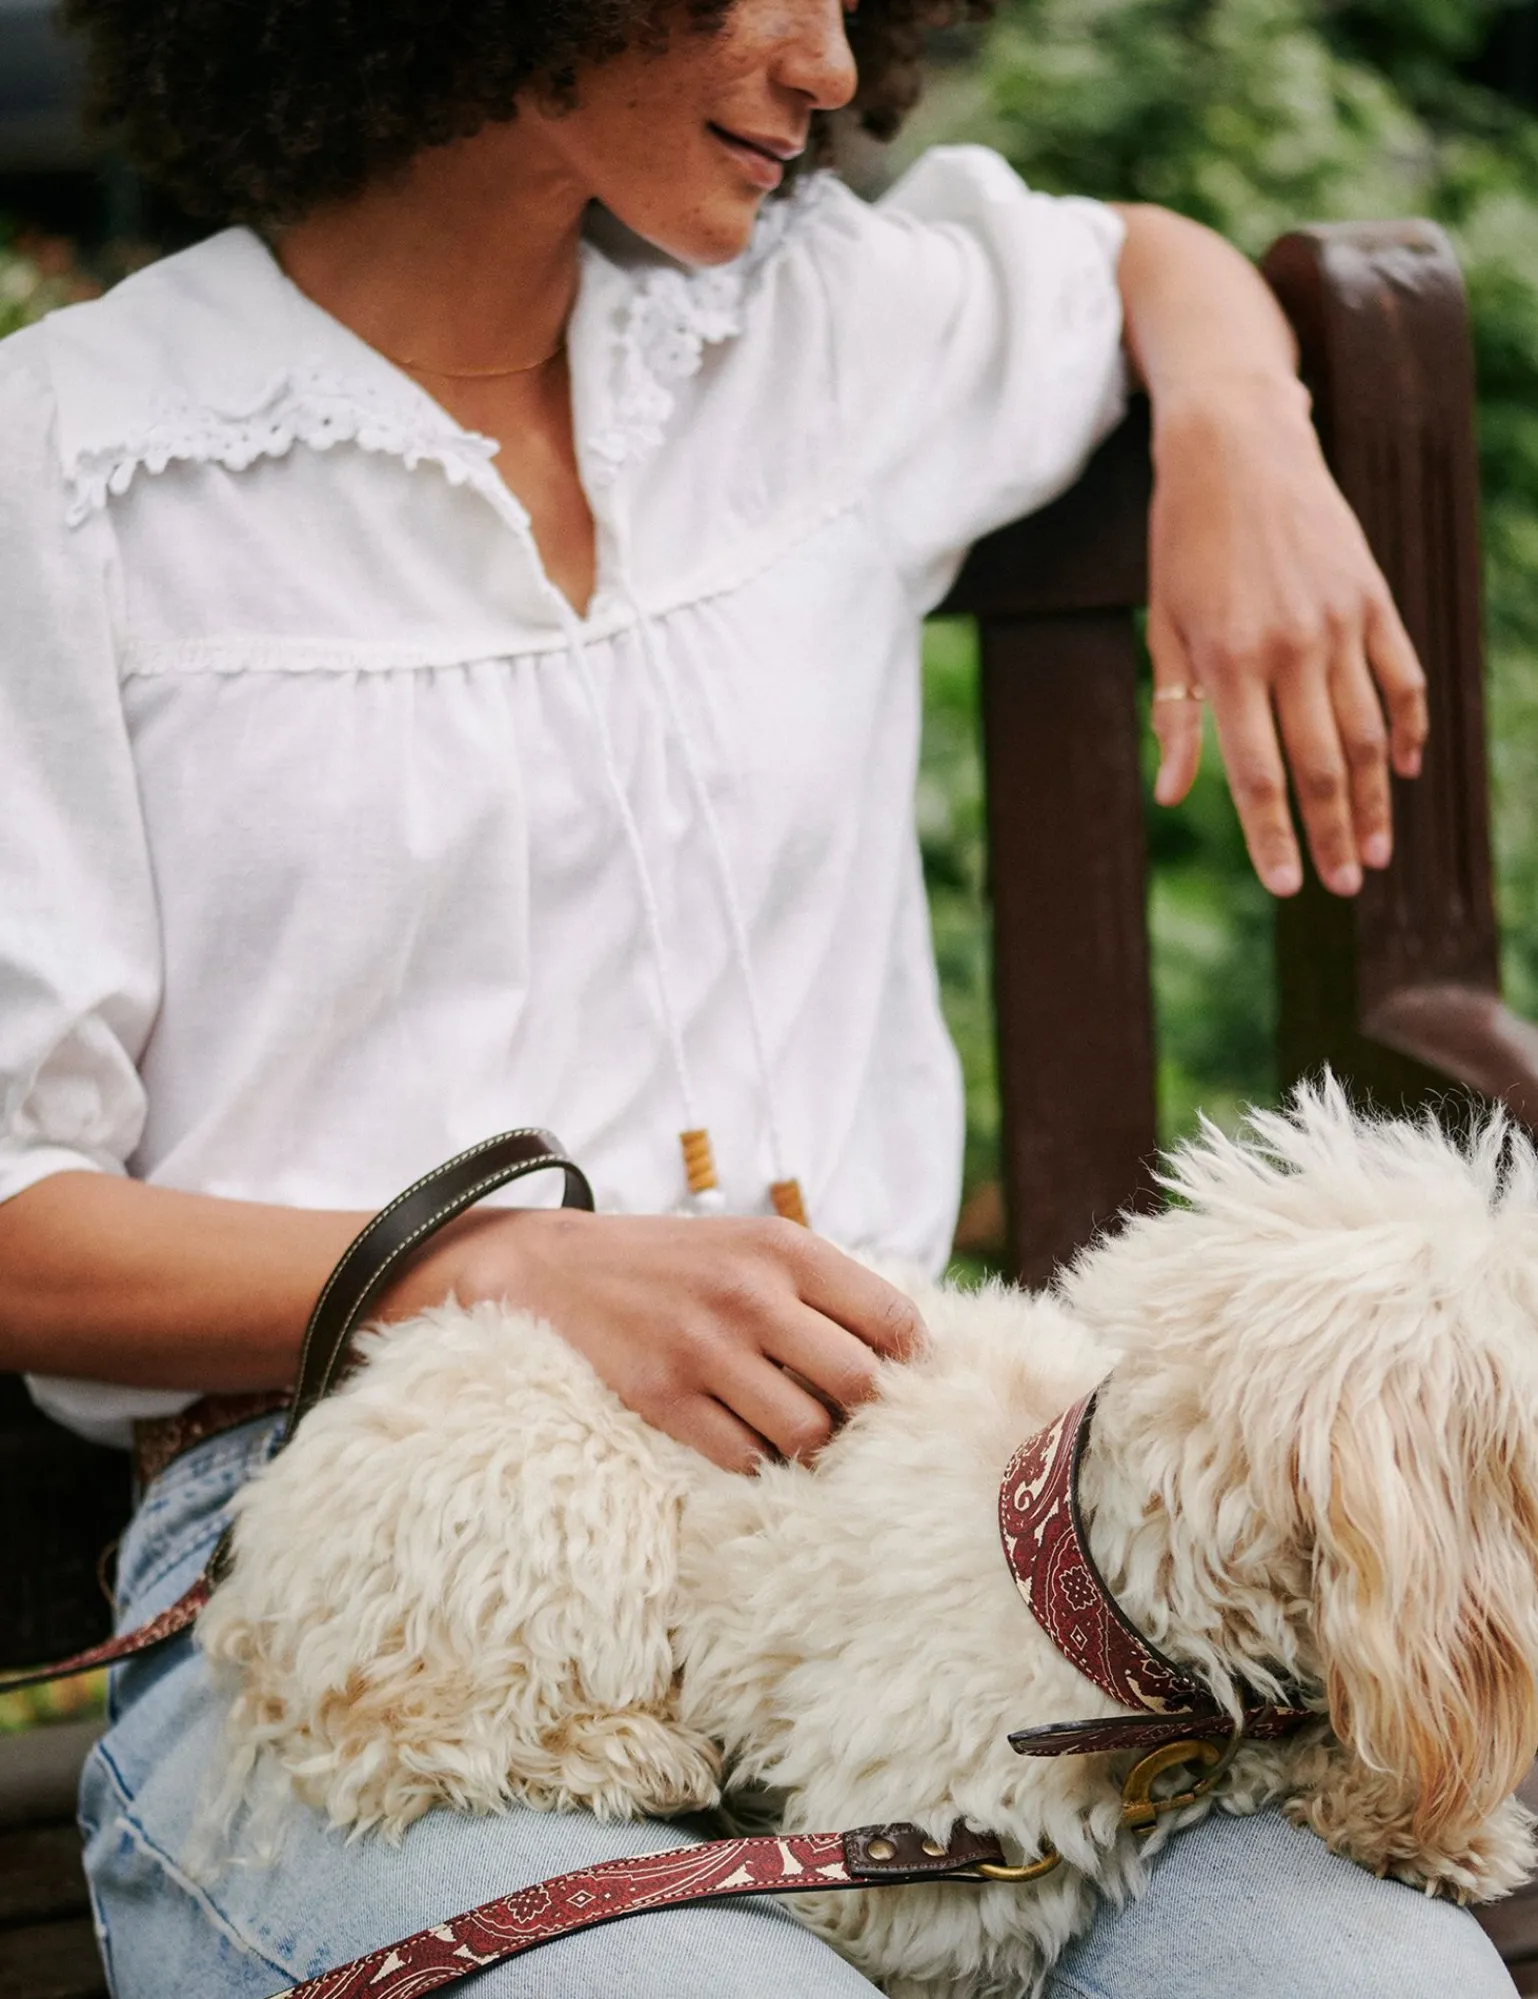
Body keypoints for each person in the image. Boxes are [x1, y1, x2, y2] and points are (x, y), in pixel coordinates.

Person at [0, 0, 1505, 1991]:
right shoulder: (70, 471)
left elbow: (1140, 256)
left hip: (932, 1568)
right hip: (385, 1589)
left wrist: (1240, 422)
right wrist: (486, 1271)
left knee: (1366, 1982)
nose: (824, 59)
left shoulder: (811, 336)